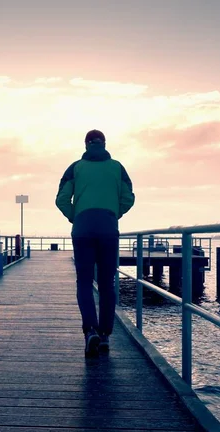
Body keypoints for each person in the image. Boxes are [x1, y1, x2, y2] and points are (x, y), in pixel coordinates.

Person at [55, 129, 135, 356]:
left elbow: (61, 198)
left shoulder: (75, 168)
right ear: (104, 143)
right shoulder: (117, 167)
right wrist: (113, 214)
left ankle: (90, 330)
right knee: (107, 283)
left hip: (82, 230)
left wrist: (75, 216)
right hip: (108, 229)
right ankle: (105, 336)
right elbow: (129, 197)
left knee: (84, 282)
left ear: (86, 144)